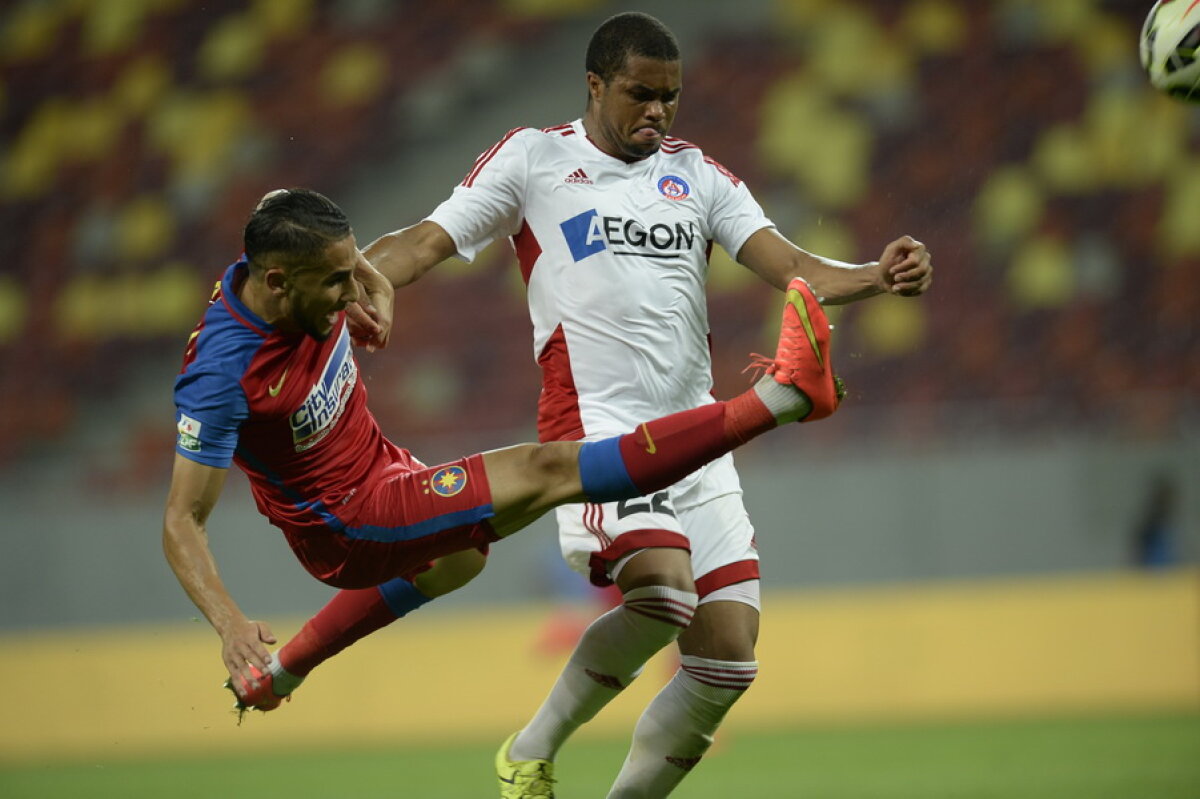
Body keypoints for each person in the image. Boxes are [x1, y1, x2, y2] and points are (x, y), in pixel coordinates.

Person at [231, 12, 932, 798]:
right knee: (663, 590)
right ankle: (529, 749)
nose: (657, 111)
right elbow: (425, 240)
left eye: (670, 96)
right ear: (595, 84)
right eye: (640, 93)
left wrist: (877, 274)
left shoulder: (698, 175)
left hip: (698, 441)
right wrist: (354, 285)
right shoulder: (535, 158)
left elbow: (795, 265)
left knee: (728, 662)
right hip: (595, 431)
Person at [164, 186, 843, 733]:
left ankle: (282, 672)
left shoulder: (288, 254)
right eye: (337, 282)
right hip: (348, 523)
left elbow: (286, 208)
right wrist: (229, 625)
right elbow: (181, 520)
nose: (352, 292)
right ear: (277, 282)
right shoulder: (222, 375)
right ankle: (777, 399)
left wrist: (372, 278)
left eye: (353, 272)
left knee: (463, 557)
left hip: (386, 467)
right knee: (550, 471)